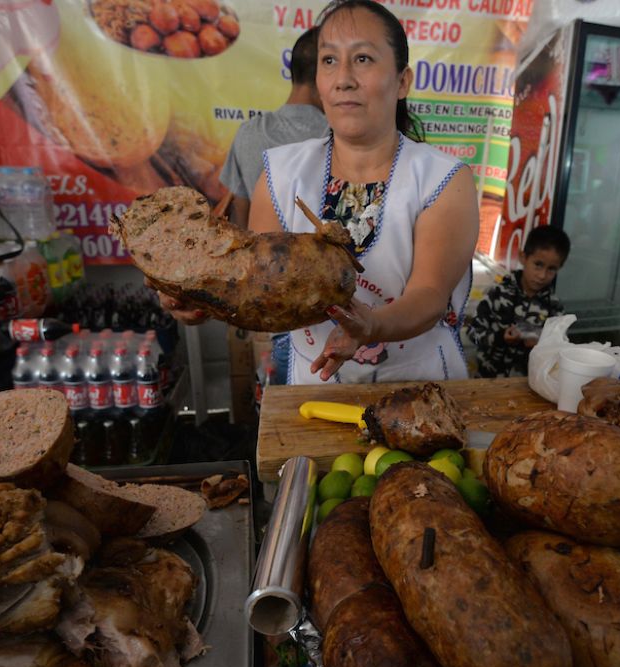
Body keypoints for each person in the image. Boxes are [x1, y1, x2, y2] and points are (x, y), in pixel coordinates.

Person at [240, 0, 478, 384]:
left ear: (402, 81)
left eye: (363, 59)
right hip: (313, 393)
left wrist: (370, 325)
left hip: (418, 392)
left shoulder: (443, 179)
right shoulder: (281, 175)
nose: (343, 78)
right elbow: (258, 287)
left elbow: (430, 294)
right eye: (329, 61)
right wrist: (203, 299)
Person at [220, 27, 329, 229]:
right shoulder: (339, 137)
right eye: (333, 65)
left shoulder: (248, 132)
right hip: (326, 257)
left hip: (261, 254)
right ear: (322, 76)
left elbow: (240, 217)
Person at [466, 225, 570, 378]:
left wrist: (541, 346)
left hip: (528, 386)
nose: (542, 275)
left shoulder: (554, 308)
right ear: (523, 257)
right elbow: (472, 333)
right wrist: (501, 337)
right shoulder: (498, 293)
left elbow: (561, 348)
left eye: (551, 269)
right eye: (538, 264)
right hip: (488, 381)